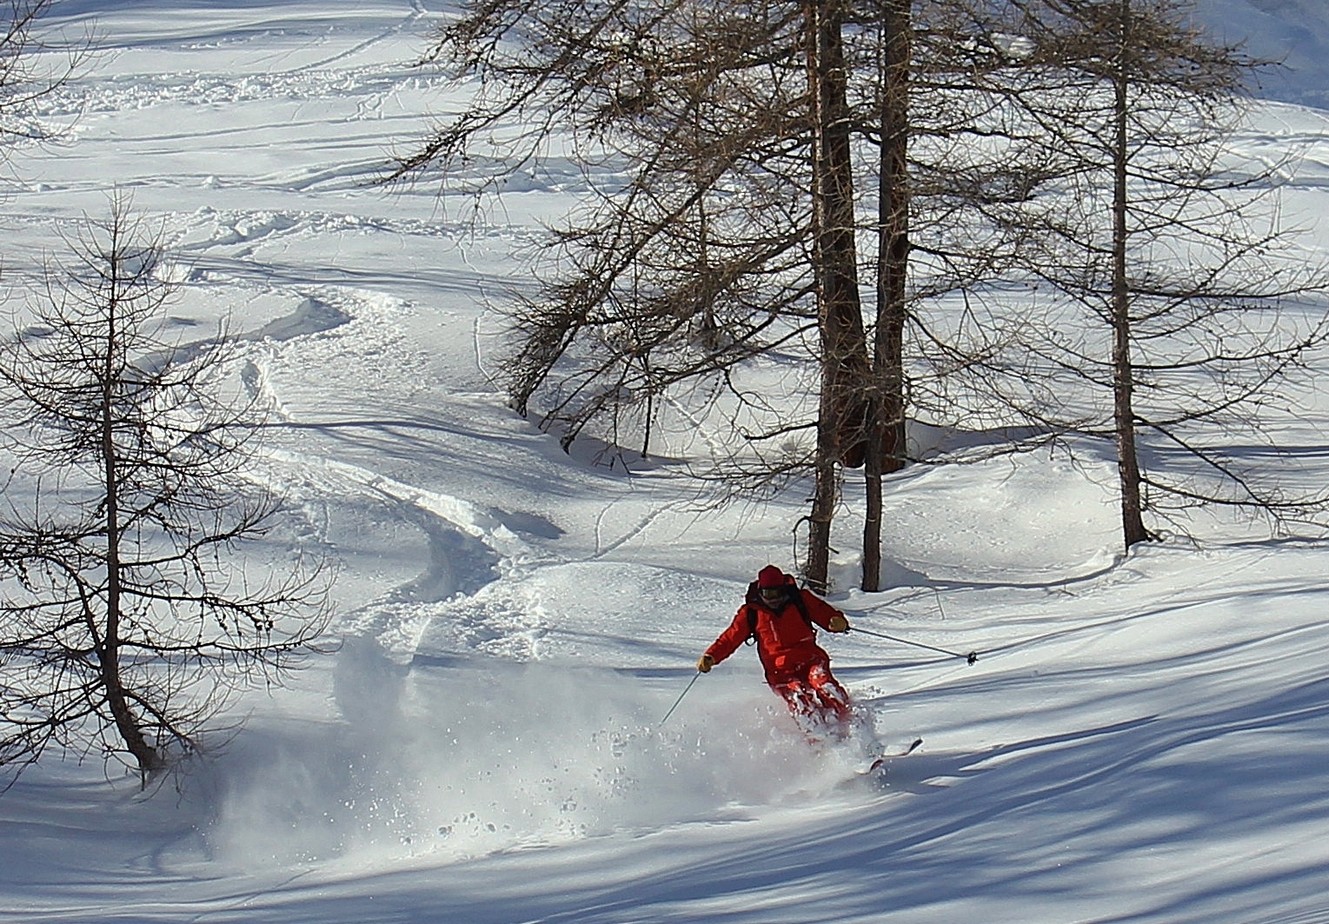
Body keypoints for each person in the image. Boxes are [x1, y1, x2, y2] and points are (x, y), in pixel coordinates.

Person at [697, 564, 857, 739]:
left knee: (826, 686)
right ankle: (820, 744)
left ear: (783, 589)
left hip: (810, 660)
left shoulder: (800, 600)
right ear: (760, 592)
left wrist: (836, 621)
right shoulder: (751, 612)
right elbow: (730, 638)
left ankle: (852, 730)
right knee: (801, 702)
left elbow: (825, 614)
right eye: (768, 594)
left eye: (776, 593)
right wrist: (711, 656)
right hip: (780, 672)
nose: (773, 599)